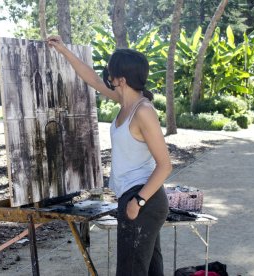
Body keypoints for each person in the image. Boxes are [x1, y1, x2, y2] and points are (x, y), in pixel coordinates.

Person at [48, 35, 172, 276]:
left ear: (121, 79)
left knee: (130, 271)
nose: (108, 76)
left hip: (143, 199)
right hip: (134, 196)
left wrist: (139, 201)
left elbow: (165, 165)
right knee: (150, 270)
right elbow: (92, 79)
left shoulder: (143, 111)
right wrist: (63, 50)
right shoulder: (124, 102)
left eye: (111, 73)